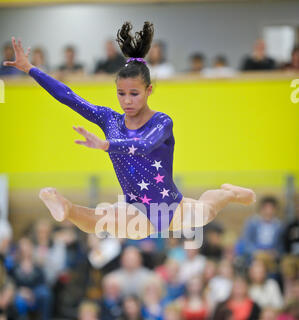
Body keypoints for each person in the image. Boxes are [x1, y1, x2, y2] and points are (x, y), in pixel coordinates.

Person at [4, 25, 256, 243]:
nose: (126, 100)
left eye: (134, 94)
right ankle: (66, 208)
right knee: (103, 220)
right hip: (135, 208)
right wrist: (30, 69)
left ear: (149, 90)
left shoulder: (162, 122)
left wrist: (107, 145)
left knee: (209, 209)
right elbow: (68, 96)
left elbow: (145, 145)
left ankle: (229, 191)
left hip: (169, 207)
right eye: (121, 94)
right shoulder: (109, 119)